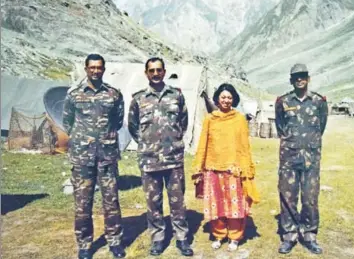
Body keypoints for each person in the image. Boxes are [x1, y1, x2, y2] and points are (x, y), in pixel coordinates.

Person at [128, 57, 193, 257]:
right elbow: (133, 126)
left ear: (164, 72)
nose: (155, 74)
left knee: (177, 201)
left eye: (159, 70)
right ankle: (157, 238)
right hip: (149, 160)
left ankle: (182, 238)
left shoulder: (176, 96)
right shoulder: (138, 99)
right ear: (146, 73)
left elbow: (183, 122)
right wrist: (148, 144)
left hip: (173, 159)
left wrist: (172, 142)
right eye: (151, 71)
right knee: (153, 202)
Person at [63, 54, 126, 259]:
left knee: (111, 202)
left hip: (107, 157)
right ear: (86, 69)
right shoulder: (74, 95)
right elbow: (67, 122)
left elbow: (117, 122)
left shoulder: (113, 94)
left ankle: (115, 242)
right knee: (82, 203)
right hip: (82, 158)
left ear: (104, 69)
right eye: (92, 67)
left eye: (99, 67)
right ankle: (84, 244)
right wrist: (85, 139)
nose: (96, 71)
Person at [191, 83, 260, 252]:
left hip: (234, 169)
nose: (226, 100)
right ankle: (219, 234)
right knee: (216, 205)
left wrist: (246, 168)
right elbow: (203, 144)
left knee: (235, 206)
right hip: (213, 169)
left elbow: (244, 145)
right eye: (223, 97)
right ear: (217, 99)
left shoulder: (239, 119)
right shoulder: (210, 119)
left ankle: (235, 237)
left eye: (229, 97)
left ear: (233, 99)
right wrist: (199, 167)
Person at [275, 63, 328, 255]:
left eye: (303, 75)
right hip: (289, 158)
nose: (299, 79)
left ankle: (309, 235)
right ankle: (289, 235)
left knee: (310, 198)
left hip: (311, 159)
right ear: (291, 80)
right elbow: (281, 128)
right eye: (296, 76)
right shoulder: (283, 102)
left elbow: (321, 126)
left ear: (308, 78)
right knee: (288, 197)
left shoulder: (319, 102)